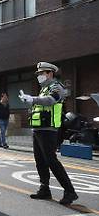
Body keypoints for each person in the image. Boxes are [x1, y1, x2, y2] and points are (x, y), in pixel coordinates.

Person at [19, 62, 78, 205]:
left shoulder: (57, 87)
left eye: (42, 73)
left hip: (49, 130)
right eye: (39, 74)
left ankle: (70, 191)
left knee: (51, 161)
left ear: (50, 73)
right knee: (40, 160)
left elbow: (51, 100)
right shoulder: (43, 89)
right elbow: (41, 103)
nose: (39, 76)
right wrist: (30, 101)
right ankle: (44, 189)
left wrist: (33, 99)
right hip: (38, 129)